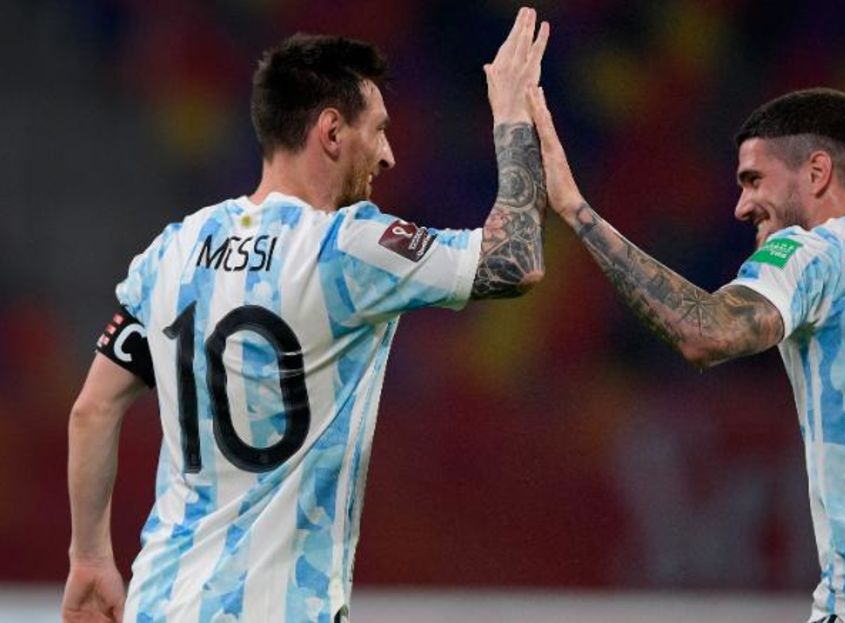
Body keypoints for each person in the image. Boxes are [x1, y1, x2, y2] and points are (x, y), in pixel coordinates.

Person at [62, 8, 549, 622]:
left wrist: (88, 559)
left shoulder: (173, 251)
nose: (389, 155)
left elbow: (92, 410)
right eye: (378, 130)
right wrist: (510, 114)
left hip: (160, 604)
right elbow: (516, 260)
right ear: (331, 131)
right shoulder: (346, 247)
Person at [527, 84, 845, 621]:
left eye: (754, 180)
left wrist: (576, 211)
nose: (741, 206)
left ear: (817, 172)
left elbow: (706, 332)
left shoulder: (815, 252)